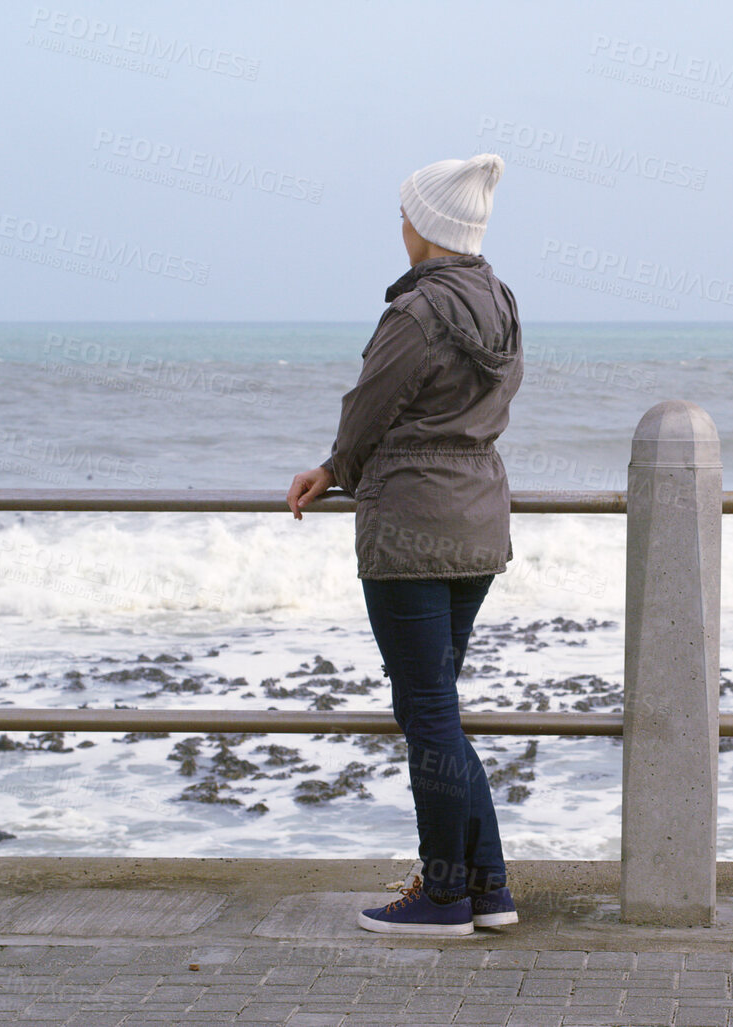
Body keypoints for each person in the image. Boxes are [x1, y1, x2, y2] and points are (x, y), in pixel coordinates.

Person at [286, 153, 523, 936]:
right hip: (478, 520)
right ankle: (486, 887)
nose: (400, 226)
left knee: (426, 712)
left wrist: (333, 468)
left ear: (424, 226)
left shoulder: (415, 315)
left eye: (405, 215)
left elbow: (367, 410)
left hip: (410, 527)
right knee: (438, 708)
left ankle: (445, 893)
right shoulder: (501, 301)